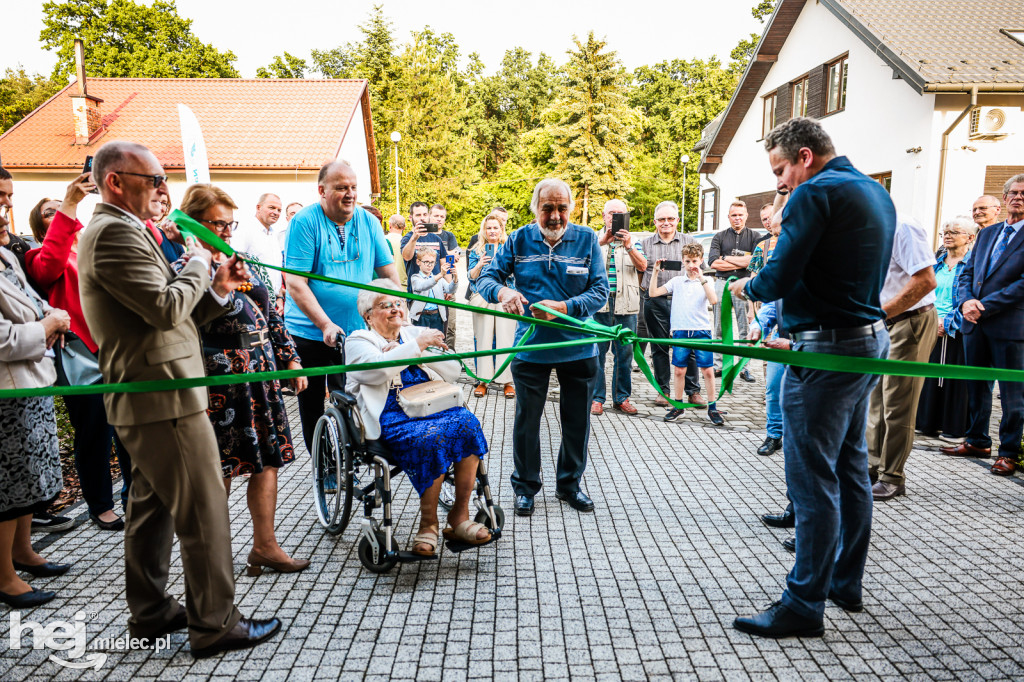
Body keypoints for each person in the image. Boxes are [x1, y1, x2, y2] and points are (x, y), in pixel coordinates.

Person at [77, 140, 280, 658]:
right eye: (153, 179)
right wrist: (196, 261)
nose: (163, 189)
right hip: (162, 396)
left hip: (158, 389)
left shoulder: (126, 230)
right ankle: (215, 623)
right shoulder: (111, 235)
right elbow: (167, 308)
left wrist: (217, 290)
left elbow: (175, 319)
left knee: (151, 509)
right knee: (205, 508)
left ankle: (150, 612)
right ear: (116, 181)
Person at [729, 117, 894, 639]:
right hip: (867, 340)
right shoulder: (875, 191)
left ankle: (803, 604)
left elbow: (781, 273)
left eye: (780, 169)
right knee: (849, 468)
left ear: (803, 155)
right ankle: (844, 581)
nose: (779, 183)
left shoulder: (813, 193)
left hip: (825, 351)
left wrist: (748, 285)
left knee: (811, 479)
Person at [175, 183, 310, 577]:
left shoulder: (242, 259)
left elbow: (269, 311)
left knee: (268, 460)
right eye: (218, 225)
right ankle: (213, 556)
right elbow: (184, 318)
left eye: (230, 224)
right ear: (194, 223)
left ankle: (265, 546)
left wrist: (289, 358)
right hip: (220, 382)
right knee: (219, 468)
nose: (227, 233)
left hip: (260, 373)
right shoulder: (185, 264)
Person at [477, 178, 609, 517]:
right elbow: (486, 279)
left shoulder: (587, 239)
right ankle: (525, 487)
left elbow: (599, 292)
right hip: (530, 347)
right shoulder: (519, 239)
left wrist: (565, 307)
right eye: (547, 208)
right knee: (526, 421)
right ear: (535, 207)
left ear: (571, 209)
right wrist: (503, 293)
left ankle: (569, 485)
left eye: (561, 208)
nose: (554, 216)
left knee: (577, 421)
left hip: (578, 348)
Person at [346, 280, 492, 553]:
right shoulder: (359, 341)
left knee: (468, 423)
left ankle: (458, 516)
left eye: (398, 303)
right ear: (367, 315)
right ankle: (429, 524)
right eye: (385, 305)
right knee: (430, 437)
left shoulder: (415, 332)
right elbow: (374, 372)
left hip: (432, 402)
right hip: (389, 415)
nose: (395, 309)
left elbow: (452, 371)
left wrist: (419, 346)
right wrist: (414, 347)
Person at [25, 175, 133, 531]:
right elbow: (50, 268)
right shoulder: (37, 256)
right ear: (41, 227)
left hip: (116, 348)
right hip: (81, 354)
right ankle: (99, 504)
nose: (58, 214)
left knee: (130, 428)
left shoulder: (87, 247)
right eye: (49, 213)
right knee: (94, 432)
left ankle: (134, 496)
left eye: (62, 209)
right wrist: (69, 205)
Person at [283, 160, 397, 452]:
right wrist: (324, 324)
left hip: (356, 332)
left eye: (353, 188)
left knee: (351, 394)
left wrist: (397, 313)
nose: (350, 194)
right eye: (341, 188)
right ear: (321, 190)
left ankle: (352, 455)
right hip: (309, 331)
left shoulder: (369, 222)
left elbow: (388, 273)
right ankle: (324, 463)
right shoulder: (304, 222)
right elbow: (295, 283)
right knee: (311, 402)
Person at [0, 186, 72, 607]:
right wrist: (47, 327)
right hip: (8, 390)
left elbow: (32, 299)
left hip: (34, 379)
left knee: (29, 477)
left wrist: (51, 315)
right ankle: (4, 576)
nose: (7, 204)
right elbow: (3, 339)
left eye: (7, 196)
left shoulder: (7, 254)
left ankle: (23, 551)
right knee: (7, 488)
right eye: (0, 196)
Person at [940, 174, 1024, 475]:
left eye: (1023, 194)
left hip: (1011, 326)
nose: (1017, 198)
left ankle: (1009, 451)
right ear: (1004, 199)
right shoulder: (988, 234)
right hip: (974, 323)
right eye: (1012, 193)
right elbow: (966, 273)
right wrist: (966, 302)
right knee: (976, 386)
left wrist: (984, 305)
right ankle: (977, 440)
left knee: (1014, 395)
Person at [866, 215, 937, 501]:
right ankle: (872, 468)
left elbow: (926, 281)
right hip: (880, 323)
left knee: (898, 403)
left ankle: (892, 476)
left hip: (910, 320)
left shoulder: (903, 227)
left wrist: (882, 314)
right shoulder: (860, 228)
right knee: (875, 400)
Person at [648, 243, 722, 425]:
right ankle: (678, 406)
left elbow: (713, 300)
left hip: (701, 331)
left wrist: (702, 277)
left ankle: (712, 408)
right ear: (683, 261)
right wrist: (656, 271)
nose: (691, 265)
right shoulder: (677, 282)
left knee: (708, 371)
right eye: (687, 261)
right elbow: (653, 293)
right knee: (680, 370)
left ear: (701, 260)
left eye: (694, 261)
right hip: (680, 331)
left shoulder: (706, 281)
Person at [917, 217, 976, 440]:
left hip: (958, 327)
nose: (948, 235)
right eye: (945, 232)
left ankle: (953, 428)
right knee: (930, 376)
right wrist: (931, 320)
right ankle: (926, 423)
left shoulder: (972, 265)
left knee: (954, 380)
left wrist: (947, 323)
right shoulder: (936, 263)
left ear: (970, 238)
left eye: (955, 232)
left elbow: (970, 296)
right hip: (930, 323)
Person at [639, 201, 703, 407]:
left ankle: (693, 391)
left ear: (677, 220)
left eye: (670, 219)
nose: (666, 223)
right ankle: (663, 391)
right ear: (655, 222)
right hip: (654, 301)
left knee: (687, 345)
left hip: (684, 301)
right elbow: (640, 272)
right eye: (661, 219)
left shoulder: (689, 241)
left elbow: (700, 269)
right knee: (659, 347)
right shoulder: (645, 244)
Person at [590, 199, 647, 416]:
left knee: (624, 355)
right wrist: (603, 242)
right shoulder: (593, 239)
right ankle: (597, 398)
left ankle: (621, 398)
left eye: (620, 214)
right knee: (597, 353)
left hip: (626, 305)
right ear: (604, 216)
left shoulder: (635, 241)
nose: (614, 217)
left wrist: (629, 246)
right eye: (611, 213)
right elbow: (584, 263)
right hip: (600, 304)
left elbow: (643, 266)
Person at [467, 213, 515, 399]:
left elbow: (516, 274)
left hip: (504, 295)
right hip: (482, 297)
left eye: (495, 227)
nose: (492, 231)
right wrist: (480, 264)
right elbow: (471, 276)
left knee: (506, 338)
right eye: (489, 228)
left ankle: (507, 381)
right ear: (484, 230)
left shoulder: (508, 248)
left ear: (501, 229)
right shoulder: (476, 250)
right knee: (483, 338)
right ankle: (483, 380)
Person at [708, 200, 757, 382]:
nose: (737, 218)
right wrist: (741, 260)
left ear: (746, 216)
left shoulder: (755, 236)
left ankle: (744, 367)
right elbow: (713, 262)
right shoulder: (719, 237)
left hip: (744, 283)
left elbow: (753, 262)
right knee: (720, 326)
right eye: (734, 215)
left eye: (740, 215)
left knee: (745, 327)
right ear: (729, 217)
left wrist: (726, 258)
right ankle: (719, 365)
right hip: (721, 283)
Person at [232, 193, 283, 295]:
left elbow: (275, 272)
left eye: (279, 210)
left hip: (273, 301)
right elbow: (234, 262)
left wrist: (279, 297)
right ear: (258, 207)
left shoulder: (274, 235)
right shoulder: (245, 230)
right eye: (272, 208)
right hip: (252, 297)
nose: (276, 212)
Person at [430, 204, 461, 349]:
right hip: (430, 286)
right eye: (436, 216)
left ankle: (450, 356)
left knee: (450, 326)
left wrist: (449, 288)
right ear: (430, 216)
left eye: (442, 216)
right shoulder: (425, 235)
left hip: (447, 283)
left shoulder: (449, 236)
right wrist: (449, 253)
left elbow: (452, 259)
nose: (439, 219)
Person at [401, 201, 449, 287]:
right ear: (410, 217)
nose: (422, 218)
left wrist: (449, 286)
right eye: (418, 215)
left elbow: (444, 264)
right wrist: (414, 238)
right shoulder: (407, 239)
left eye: (425, 214)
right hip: (417, 292)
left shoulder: (436, 239)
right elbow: (406, 257)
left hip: (437, 290)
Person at [408, 247, 457, 332]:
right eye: (426, 262)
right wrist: (441, 274)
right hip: (420, 316)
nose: (429, 265)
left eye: (432, 262)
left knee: (437, 343)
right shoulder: (415, 278)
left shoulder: (439, 279)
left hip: (437, 316)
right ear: (418, 262)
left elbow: (450, 290)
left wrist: (455, 277)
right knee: (421, 342)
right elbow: (423, 286)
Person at [385, 214, 409, 286]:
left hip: (387, 284)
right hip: (404, 285)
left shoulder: (383, 240)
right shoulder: (408, 242)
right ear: (404, 227)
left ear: (390, 225)